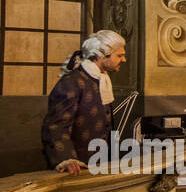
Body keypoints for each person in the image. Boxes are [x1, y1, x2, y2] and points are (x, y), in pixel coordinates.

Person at [42, 30, 126, 174]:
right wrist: (67, 159)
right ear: (102, 55)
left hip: (101, 164)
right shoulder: (72, 83)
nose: (124, 59)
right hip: (78, 168)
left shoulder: (102, 80)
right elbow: (56, 125)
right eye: (119, 55)